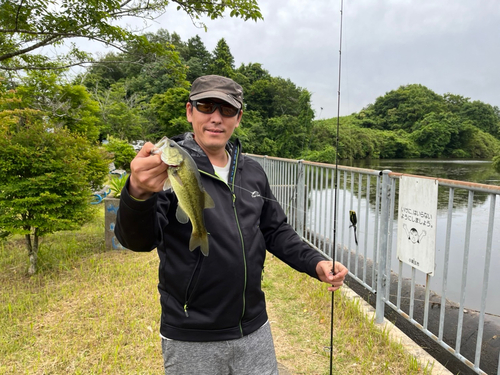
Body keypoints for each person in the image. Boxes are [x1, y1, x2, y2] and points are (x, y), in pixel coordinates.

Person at [115, 75, 348, 375]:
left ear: (238, 118)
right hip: (191, 332)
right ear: (190, 111)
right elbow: (138, 240)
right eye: (206, 106)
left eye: (226, 110)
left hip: (253, 326)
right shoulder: (168, 169)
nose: (216, 118)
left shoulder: (252, 171)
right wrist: (138, 192)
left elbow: (275, 230)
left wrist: (314, 262)